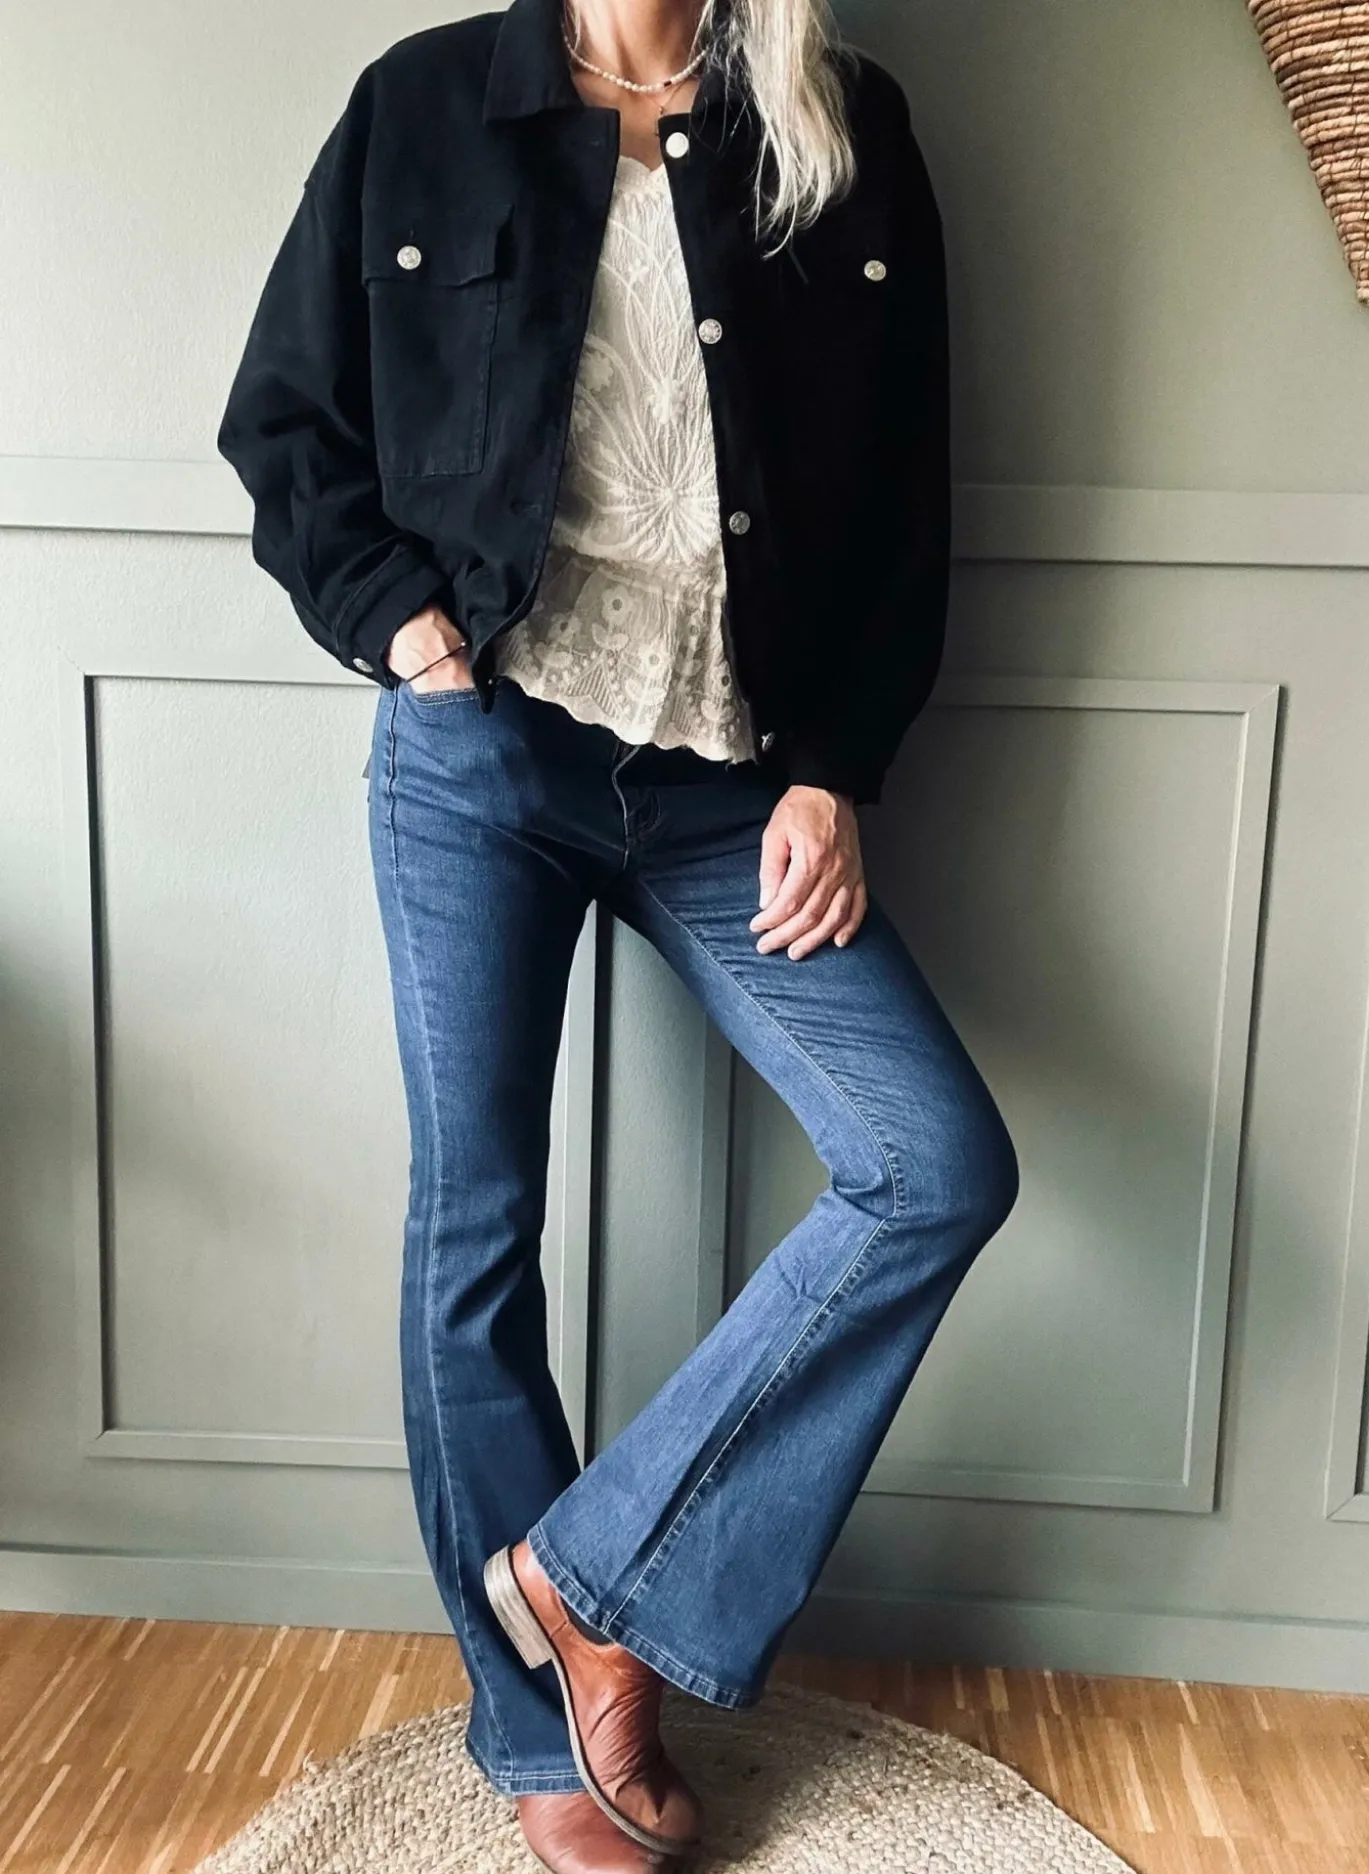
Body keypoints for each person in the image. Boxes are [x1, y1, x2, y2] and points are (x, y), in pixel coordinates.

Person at [217, 0, 1019, 1866]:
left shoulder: (840, 126)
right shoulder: (424, 103)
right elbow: (284, 418)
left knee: (934, 1161)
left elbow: (907, 497)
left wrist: (835, 771)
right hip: (483, 756)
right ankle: (543, 1745)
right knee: (476, 1228)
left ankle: (591, 1583)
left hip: (736, 785)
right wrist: (406, 629)